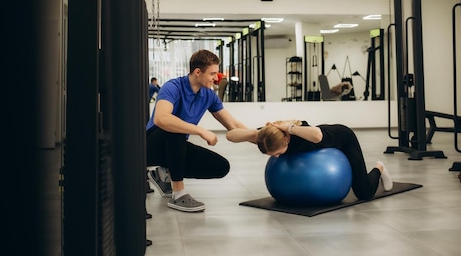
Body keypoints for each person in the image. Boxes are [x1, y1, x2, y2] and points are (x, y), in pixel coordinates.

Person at [146, 49, 249, 212]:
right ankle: (178, 194)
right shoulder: (172, 87)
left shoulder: (208, 95)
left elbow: (232, 125)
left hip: (175, 147)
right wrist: (200, 131)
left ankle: (162, 174)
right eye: (213, 74)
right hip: (151, 145)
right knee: (176, 126)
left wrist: (260, 137)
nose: (216, 78)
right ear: (198, 72)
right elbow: (161, 119)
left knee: (220, 166)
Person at [226, 120, 393, 201]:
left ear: (286, 140)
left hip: (343, 140)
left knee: (364, 193)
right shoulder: (270, 137)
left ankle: (380, 168)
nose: (276, 157)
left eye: (277, 153)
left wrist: (288, 127)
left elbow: (317, 135)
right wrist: (257, 133)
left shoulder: (301, 133)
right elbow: (230, 136)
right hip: (314, 144)